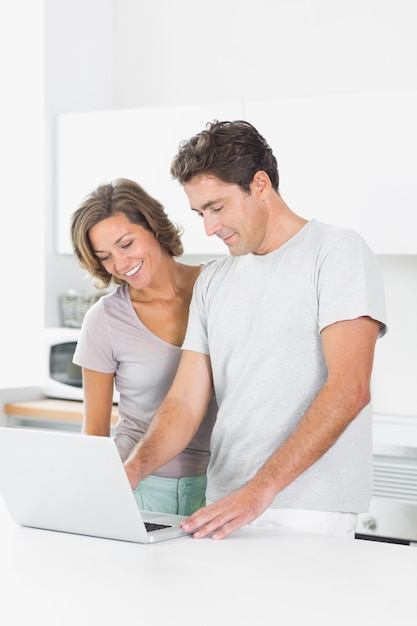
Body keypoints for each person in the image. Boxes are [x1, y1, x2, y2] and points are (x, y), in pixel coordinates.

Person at [124, 121, 387, 540]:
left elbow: (349, 388)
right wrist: (132, 470)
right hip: (223, 506)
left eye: (217, 207)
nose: (209, 228)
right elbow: (185, 403)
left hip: (307, 510)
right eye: (200, 213)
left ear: (259, 184)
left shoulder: (336, 252)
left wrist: (259, 491)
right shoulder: (214, 280)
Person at [70, 177, 217, 516]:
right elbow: (94, 432)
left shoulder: (216, 287)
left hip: (219, 486)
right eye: (105, 257)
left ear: (153, 227)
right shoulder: (104, 320)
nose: (120, 264)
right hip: (139, 487)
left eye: (126, 244)